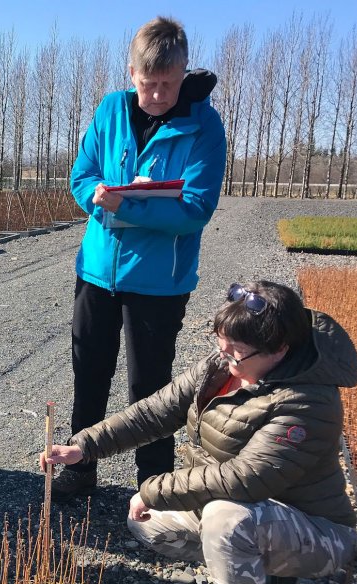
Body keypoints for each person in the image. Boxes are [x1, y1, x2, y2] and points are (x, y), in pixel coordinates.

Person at [42, 281, 357, 584]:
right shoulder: (222, 367)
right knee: (149, 524)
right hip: (253, 513)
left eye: (237, 350)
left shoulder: (308, 402)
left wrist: (153, 487)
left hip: (319, 533)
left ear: (278, 350)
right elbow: (153, 412)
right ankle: (268, 579)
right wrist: (83, 447)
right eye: (222, 341)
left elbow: (245, 478)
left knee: (225, 519)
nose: (225, 354)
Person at [55, 16, 227, 501]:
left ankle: (152, 486)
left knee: (149, 390)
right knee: (88, 374)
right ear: (131, 74)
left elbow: (195, 208)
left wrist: (126, 207)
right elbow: (81, 175)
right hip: (96, 271)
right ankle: (80, 468)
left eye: (167, 85)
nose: (155, 95)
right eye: (147, 84)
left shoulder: (204, 128)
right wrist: (96, 196)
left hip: (159, 283)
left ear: (183, 73)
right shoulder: (110, 110)